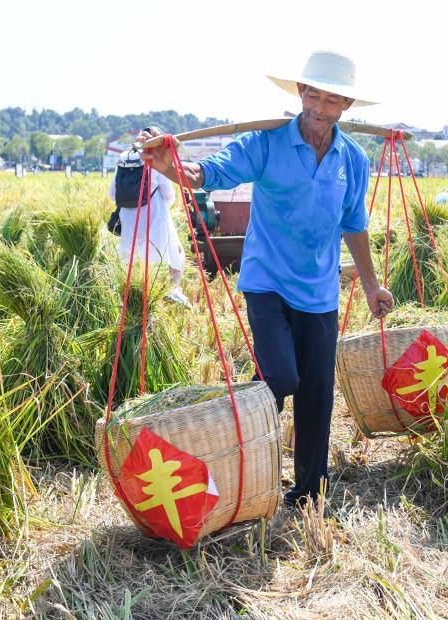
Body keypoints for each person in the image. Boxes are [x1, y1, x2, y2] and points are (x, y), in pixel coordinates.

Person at [139, 50, 394, 507]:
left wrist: (373, 285)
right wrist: (171, 166)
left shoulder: (351, 160)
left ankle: (309, 490)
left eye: (330, 100)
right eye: (311, 95)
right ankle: (242, 463)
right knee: (279, 377)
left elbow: (354, 224)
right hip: (267, 280)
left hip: (319, 288)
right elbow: (207, 173)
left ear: (346, 107)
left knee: (316, 391)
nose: (317, 108)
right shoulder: (267, 143)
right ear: (300, 93)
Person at [108, 155, 189, 305]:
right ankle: (173, 289)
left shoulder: (123, 159)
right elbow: (168, 196)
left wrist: (131, 204)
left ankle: (130, 295)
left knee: (131, 255)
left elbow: (113, 193)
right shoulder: (155, 159)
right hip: (155, 214)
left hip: (128, 215)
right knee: (175, 250)